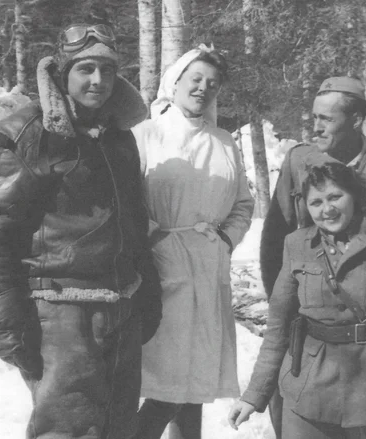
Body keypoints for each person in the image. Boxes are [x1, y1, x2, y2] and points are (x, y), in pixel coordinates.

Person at [0, 22, 161, 439]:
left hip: (122, 309)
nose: (98, 81)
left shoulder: (118, 137)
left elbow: (133, 224)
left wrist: (148, 292)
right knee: (68, 431)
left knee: (120, 430)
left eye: (107, 70)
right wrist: (5, 323)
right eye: (85, 68)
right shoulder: (23, 135)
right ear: (63, 72)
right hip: (60, 315)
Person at [260, 76, 366, 437]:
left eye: (327, 119)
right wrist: (285, 301)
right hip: (307, 318)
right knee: (293, 408)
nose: (315, 127)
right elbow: (276, 238)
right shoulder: (299, 161)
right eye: (314, 117)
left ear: (356, 120)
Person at [229, 162, 366, 438]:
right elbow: (278, 327)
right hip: (309, 387)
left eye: (335, 197)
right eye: (316, 202)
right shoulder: (297, 244)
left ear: (354, 195)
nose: (326, 209)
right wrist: (253, 395)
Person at [131, 45, 254, 439]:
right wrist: (155, 242)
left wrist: (226, 240)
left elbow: (243, 203)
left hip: (208, 267)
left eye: (213, 84)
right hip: (160, 268)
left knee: (196, 383)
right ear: (176, 81)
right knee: (166, 384)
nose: (203, 88)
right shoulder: (147, 134)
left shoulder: (224, 141)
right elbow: (126, 199)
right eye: (196, 79)